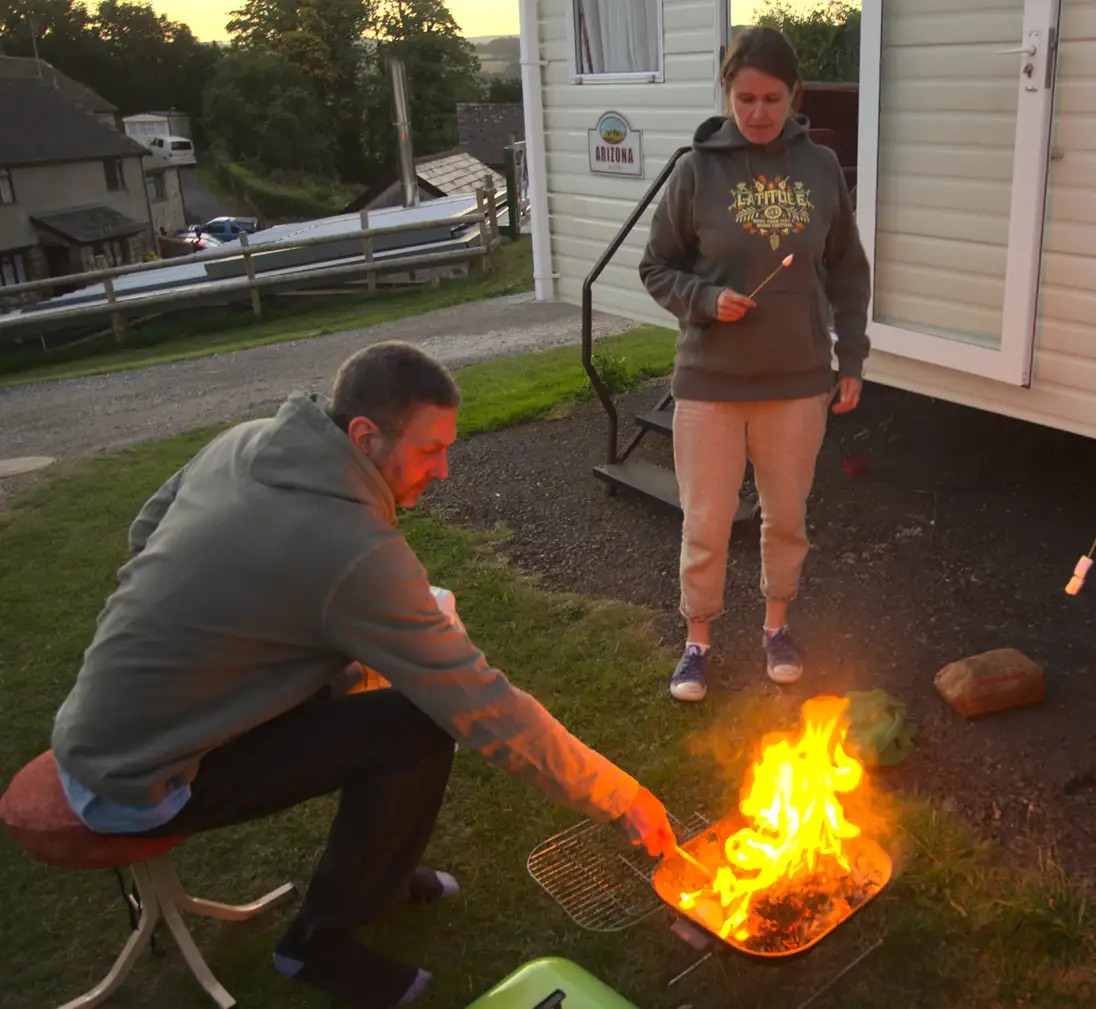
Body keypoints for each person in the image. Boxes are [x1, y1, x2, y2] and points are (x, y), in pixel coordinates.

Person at [50, 342, 677, 1009]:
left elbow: (144, 533)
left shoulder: (245, 442)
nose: (442, 471)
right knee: (419, 723)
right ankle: (320, 942)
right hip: (138, 779)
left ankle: (384, 875)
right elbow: (484, 707)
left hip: (93, 729)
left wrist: (237, 631)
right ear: (364, 436)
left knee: (388, 671)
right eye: (430, 449)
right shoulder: (352, 549)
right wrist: (621, 795)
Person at [639, 25, 871, 703]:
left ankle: (777, 627)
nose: (759, 112)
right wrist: (706, 299)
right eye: (746, 98)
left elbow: (848, 269)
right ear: (727, 93)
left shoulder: (821, 167)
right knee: (706, 520)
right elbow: (656, 265)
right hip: (710, 383)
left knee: (785, 515)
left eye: (772, 98)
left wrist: (850, 352)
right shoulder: (696, 169)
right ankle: (698, 641)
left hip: (797, 381)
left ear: (793, 95)